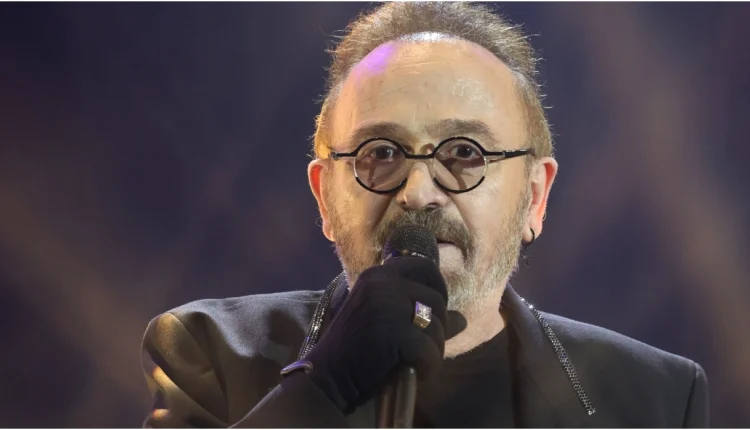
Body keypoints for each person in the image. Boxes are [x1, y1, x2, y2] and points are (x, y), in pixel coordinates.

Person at [140, 2, 708, 427]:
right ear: (325, 197)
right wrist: (321, 389)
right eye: (380, 153)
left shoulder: (655, 396)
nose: (417, 192)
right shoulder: (211, 350)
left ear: (534, 197)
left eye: (464, 152)